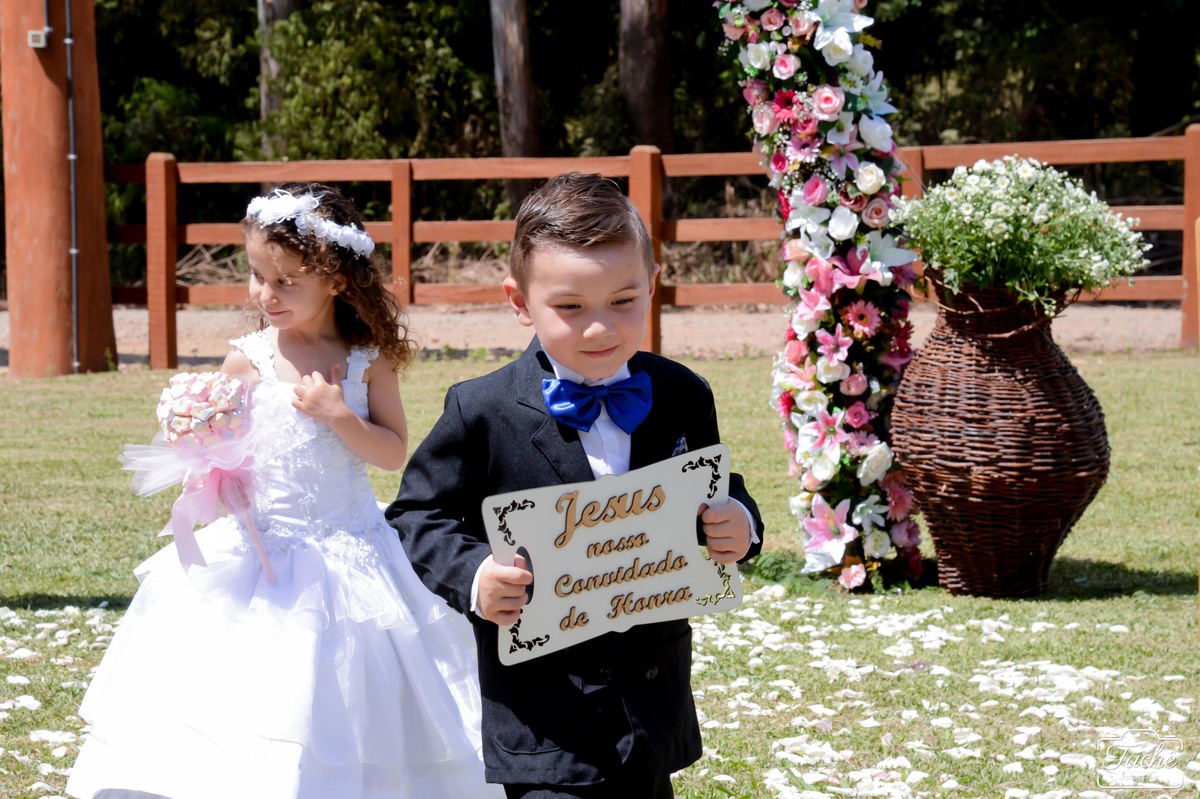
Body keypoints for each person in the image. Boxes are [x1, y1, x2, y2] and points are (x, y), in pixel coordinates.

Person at [67, 183, 502, 799]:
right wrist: (211, 465)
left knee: (345, 683)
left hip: (350, 550)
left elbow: (391, 452)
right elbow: (231, 449)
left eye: (285, 281)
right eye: (257, 276)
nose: (264, 294)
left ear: (336, 280)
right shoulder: (247, 359)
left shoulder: (366, 361)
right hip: (260, 549)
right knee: (249, 688)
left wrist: (338, 414)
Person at [386, 172, 764, 798]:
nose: (599, 329)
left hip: (651, 699)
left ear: (653, 284)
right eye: (570, 307)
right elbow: (416, 515)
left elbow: (714, 485)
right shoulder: (481, 410)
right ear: (519, 302)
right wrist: (476, 576)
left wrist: (739, 522)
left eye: (623, 301)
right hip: (545, 713)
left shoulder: (682, 394)